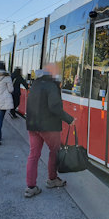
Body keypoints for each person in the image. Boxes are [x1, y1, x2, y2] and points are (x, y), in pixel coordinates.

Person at [24, 64, 74, 198]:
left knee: (33, 155)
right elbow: (55, 107)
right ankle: (52, 179)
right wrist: (70, 119)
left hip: (33, 125)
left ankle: (30, 187)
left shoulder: (35, 84)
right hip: (49, 126)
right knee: (54, 152)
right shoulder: (52, 86)